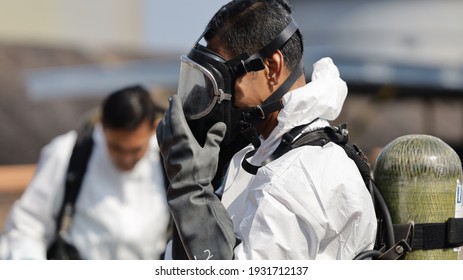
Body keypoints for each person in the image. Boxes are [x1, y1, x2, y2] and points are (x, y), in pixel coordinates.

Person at [157, 0, 377, 260]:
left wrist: (189, 189)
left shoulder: (298, 178)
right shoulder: (263, 154)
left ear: (271, 68)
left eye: (222, 79)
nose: (215, 99)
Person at [0, 85, 171, 259]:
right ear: (102, 124)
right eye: (116, 148)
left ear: (154, 128)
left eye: (135, 150)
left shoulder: (169, 161)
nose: (126, 159)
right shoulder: (67, 153)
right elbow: (28, 224)